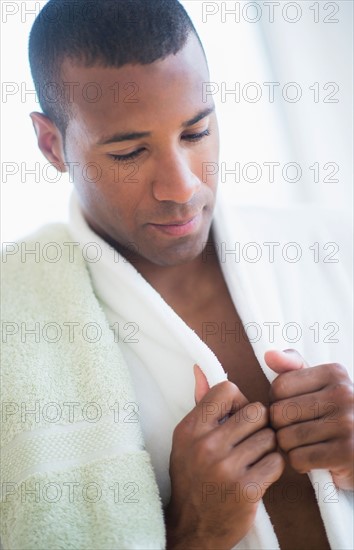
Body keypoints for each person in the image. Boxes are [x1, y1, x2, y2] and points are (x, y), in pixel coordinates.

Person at [1, 1, 353, 549]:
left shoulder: (336, 251)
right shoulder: (16, 326)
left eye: (196, 132)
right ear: (52, 145)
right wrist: (191, 532)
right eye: (129, 152)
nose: (182, 187)